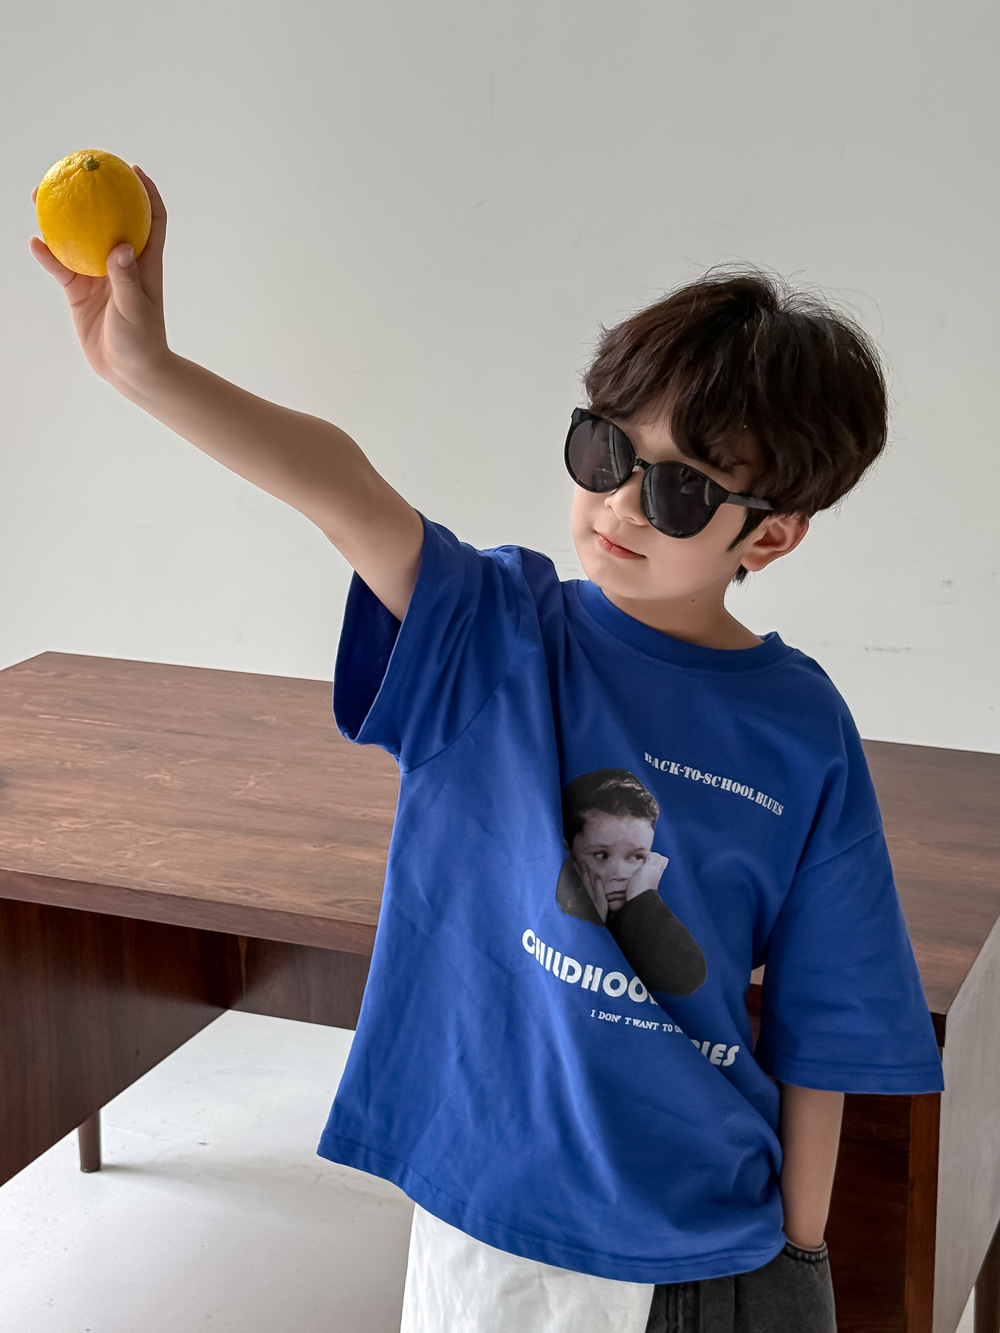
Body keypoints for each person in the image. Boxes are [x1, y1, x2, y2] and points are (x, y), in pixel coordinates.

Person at [30, 168, 945, 1333]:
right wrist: (147, 369)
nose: (620, 504)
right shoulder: (493, 633)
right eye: (604, 450)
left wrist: (797, 1254)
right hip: (479, 1223)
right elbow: (346, 490)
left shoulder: (802, 730)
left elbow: (827, 1025)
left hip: (693, 1251)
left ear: (768, 536)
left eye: (679, 490)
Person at [556, 767, 707, 995]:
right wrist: (590, 923)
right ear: (569, 850)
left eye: (636, 857)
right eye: (601, 855)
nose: (619, 873)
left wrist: (644, 897)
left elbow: (688, 978)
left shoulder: (643, 906)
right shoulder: (546, 899)